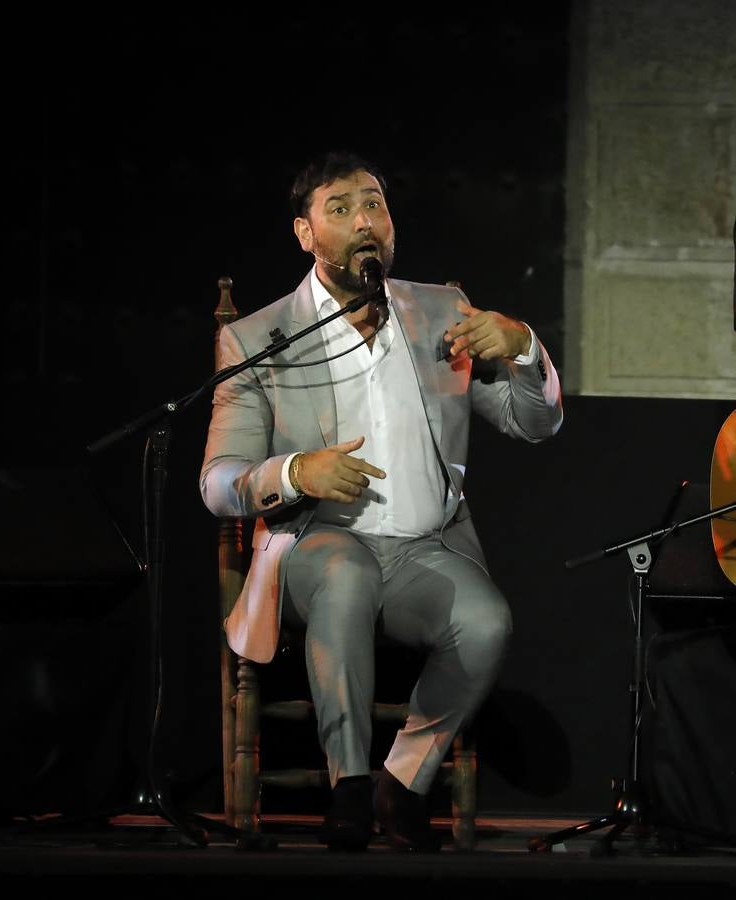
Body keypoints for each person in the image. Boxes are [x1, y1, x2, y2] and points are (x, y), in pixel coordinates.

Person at [200, 150, 563, 852]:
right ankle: (349, 785)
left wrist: (522, 348)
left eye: (374, 205)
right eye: (340, 209)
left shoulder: (440, 312)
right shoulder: (257, 340)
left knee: (487, 623)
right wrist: (297, 470)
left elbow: (534, 424)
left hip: (425, 547)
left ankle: (402, 780)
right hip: (317, 545)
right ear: (305, 234)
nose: (364, 222)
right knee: (345, 574)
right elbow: (219, 482)